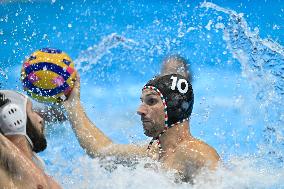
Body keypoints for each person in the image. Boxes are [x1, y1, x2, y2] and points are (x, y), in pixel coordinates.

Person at [63, 55, 220, 183]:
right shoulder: (153, 152)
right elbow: (101, 151)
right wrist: (72, 104)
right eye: (142, 102)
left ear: (171, 107)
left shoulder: (195, 153)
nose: (139, 110)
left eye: (151, 102)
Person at [0, 90, 62, 189]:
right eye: (32, 111)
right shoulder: (7, 172)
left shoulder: (38, 169)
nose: (41, 119)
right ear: (12, 115)